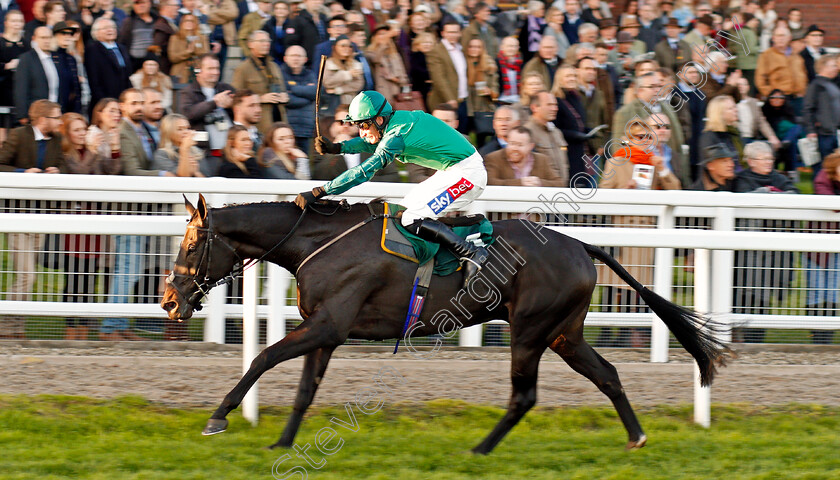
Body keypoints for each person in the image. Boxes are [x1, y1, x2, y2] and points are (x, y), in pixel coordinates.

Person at [297, 90, 489, 286]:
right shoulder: (393, 124)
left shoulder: (397, 134)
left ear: (379, 119)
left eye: (363, 125)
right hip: (452, 171)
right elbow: (371, 143)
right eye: (358, 126)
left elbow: (364, 171)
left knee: (411, 218)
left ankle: (472, 252)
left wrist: (322, 191)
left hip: (469, 175)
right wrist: (338, 148)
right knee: (402, 215)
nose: (361, 132)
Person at [0, 100, 63, 339]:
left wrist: (57, 171)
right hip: (18, 216)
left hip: (41, 216)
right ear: (43, 119)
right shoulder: (18, 135)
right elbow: (1, 164)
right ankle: (7, 327)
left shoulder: (56, 140)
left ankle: (17, 328)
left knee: (26, 276)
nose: (60, 122)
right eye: (56, 117)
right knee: (27, 275)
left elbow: (63, 165)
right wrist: (22, 174)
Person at [60, 111, 121, 340]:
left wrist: (114, 148)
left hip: (95, 220)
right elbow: (81, 175)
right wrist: (94, 152)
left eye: (84, 129)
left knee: (90, 276)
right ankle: (70, 329)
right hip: (75, 223)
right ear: (67, 133)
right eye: (76, 130)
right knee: (73, 277)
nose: (82, 134)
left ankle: (84, 329)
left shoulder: (91, 151)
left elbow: (113, 171)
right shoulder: (66, 155)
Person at [732, 141, 798, 343]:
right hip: (746, 252)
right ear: (751, 161)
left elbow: (794, 194)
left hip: (771, 252)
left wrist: (768, 193)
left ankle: (756, 340)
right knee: (743, 294)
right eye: (764, 158)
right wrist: (768, 193)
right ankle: (736, 336)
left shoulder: (779, 177)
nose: (769, 162)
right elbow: (744, 201)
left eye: (770, 158)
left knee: (764, 295)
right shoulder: (741, 179)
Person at [806, 151, 840, 344]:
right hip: (817, 248)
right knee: (817, 290)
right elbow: (832, 204)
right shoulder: (822, 180)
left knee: (832, 290)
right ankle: (817, 336)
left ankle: (827, 335)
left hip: (836, 246)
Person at [232, 30, 288, 133]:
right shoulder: (243, 68)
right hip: (260, 125)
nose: (266, 44)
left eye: (268, 41)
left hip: (279, 121)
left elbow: (283, 88)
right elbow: (236, 98)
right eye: (262, 41)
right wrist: (260, 98)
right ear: (251, 44)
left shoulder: (274, 66)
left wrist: (284, 96)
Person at [484, 125, 566, 187]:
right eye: (512, 143)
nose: (515, 148)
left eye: (520, 145)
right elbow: (489, 181)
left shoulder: (543, 160)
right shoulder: (493, 158)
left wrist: (540, 182)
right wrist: (520, 183)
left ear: (531, 146)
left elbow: (559, 183)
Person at [426, 20, 468, 131]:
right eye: (449, 32)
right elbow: (439, 78)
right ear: (443, 33)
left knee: (462, 134)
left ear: (460, 33)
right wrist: (450, 99)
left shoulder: (461, 49)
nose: (452, 35)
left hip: (462, 99)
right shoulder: (436, 51)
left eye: (455, 32)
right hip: (445, 102)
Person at [802, 54, 840, 175]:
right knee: (823, 167)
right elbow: (808, 109)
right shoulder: (816, 85)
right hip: (823, 133)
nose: (837, 68)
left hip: (833, 132)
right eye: (833, 65)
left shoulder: (832, 84)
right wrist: (811, 130)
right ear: (823, 67)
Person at [14, 27, 61, 122]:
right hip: (36, 115)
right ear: (34, 39)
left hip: (56, 114)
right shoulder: (26, 59)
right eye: (43, 38)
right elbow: (21, 89)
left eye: (49, 37)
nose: (46, 41)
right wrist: (22, 115)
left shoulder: (57, 58)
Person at [756, 26, 807, 114]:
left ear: (789, 38)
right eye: (778, 36)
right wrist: (772, 96)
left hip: (797, 98)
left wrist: (802, 91)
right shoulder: (766, 55)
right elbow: (760, 79)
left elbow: (803, 75)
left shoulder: (796, 56)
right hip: (778, 100)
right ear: (773, 38)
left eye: (783, 36)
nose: (781, 39)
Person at [551, 64, 589, 184]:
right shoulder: (555, 100)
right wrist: (575, 135)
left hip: (579, 150)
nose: (572, 78)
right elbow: (554, 129)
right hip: (566, 153)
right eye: (568, 76)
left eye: (574, 75)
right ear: (559, 79)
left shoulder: (576, 98)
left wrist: (589, 131)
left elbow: (579, 123)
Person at [85, 18, 132, 112]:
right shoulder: (93, 49)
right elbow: (94, 78)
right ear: (96, 32)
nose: (110, 30)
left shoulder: (121, 48)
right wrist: (103, 101)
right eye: (106, 28)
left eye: (113, 27)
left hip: (123, 97)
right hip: (105, 98)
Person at [524, 91, 569, 185]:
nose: (555, 109)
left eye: (555, 105)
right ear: (534, 107)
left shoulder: (557, 132)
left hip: (561, 189)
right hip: (540, 191)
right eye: (549, 105)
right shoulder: (527, 132)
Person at [280, 45, 316, 153]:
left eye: (299, 56)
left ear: (305, 59)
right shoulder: (280, 74)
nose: (296, 58)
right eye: (292, 55)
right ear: (285, 58)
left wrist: (292, 89)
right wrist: (307, 96)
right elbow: (285, 99)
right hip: (286, 127)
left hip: (306, 128)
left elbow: (316, 92)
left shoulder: (310, 74)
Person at [464, 36, 497, 145]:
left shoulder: (489, 65)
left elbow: (495, 90)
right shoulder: (462, 63)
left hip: (483, 107)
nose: (474, 49)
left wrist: (490, 91)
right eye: (472, 46)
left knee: (482, 139)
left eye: (478, 47)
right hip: (467, 106)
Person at [0, 10, 28, 137]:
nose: (17, 24)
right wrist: (7, 65)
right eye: (13, 21)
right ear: (6, 23)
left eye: (20, 21)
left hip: (21, 94)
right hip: (3, 92)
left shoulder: (26, 45)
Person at [365, 25, 409, 105]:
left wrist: (400, 81)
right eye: (380, 34)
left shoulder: (394, 54)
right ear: (374, 37)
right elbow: (376, 59)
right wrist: (383, 45)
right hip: (382, 92)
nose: (383, 37)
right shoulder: (370, 52)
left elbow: (402, 72)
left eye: (385, 34)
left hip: (397, 91)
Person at [700, 95, 745, 168]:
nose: (736, 110)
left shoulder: (735, 132)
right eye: (730, 108)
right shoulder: (709, 137)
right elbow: (709, 166)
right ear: (719, 113)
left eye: (735, 107)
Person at [167, 13, 209, 84]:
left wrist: (195, 49)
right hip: (179, 73)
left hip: (197, 71)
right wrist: (187, 52)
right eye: (186, 21)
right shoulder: (175, 38)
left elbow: (206, 55)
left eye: (191, 21)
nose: (188, 23)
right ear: (182, 23)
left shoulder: (202, 37)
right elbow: (172, 57)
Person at [117, 0, 158, 72]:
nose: (140, 5)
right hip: (134, 63)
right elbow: (122, 42)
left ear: (150, 3)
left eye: (143, 2)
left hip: (154, 62)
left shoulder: (158, 21)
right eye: (137, 3)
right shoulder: (128, 22)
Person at [284, 0, 327, 66]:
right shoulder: (297, 21)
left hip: (324, 62)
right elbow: (291, 43)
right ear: (305, 1)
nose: (316, 2)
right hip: (306, 65)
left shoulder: (324, 20)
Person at [151, 0, 178, 74]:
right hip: (165, 68)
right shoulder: (161, 26)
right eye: (175, 5)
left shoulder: (169, 23)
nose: (177, 8)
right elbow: (157, 48)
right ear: (166, 7)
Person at [408, 31, 433, 106]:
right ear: (417, 45)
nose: (427, 45)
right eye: (424, 42)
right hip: (421, 91)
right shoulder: (416, 57)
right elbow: (419, 72)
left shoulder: (434, 56)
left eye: (430, 42)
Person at [262, 0, 290, 65]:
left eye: (283, 9)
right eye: (277, 8)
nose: (280, 11)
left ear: (288, 11)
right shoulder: (268, 24)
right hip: (271, 59)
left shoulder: (293, 24)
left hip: (287, 60)